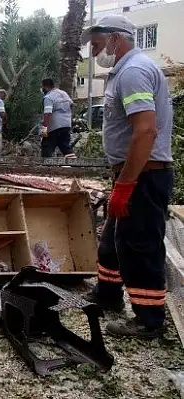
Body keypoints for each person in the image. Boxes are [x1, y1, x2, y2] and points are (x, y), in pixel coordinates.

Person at [81, 15, 173, 339]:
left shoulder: (133, 72)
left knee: (140, 246)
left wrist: (126, 185)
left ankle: (149, 320)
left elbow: (145, 131)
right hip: (133, 174)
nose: (93, 53)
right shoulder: (124, 71)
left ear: (115, 39)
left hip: (143, 177)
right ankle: (107, 296)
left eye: (95, 45)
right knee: (113, 241)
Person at [40, 78, 77, 159]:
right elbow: (72, 105)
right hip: (66, 125)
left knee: (46, 146)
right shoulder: (64, 93)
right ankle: (74, 166)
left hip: (54, 127)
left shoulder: (48, 97)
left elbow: (47, 113)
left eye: (42, 87)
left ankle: (46, 167)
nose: (42, 89)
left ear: (45, 86)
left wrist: (44, 129)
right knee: (65, 146)